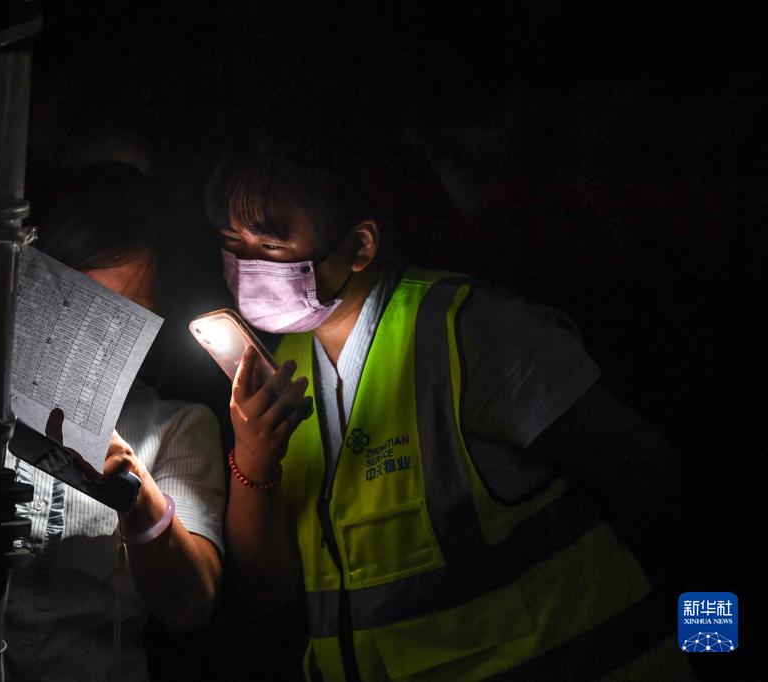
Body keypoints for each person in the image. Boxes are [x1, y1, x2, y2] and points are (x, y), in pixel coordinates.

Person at [206, 135, 692, 680]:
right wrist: (253, 460)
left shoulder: (469, 330)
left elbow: (646, 476)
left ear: (360, 245)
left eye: (271, 245)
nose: (246, 264)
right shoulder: (283, 367)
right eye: (231, 241)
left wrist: (711, 633)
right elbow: (269, 588)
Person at [4, 162, 225, 681]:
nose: (94, 335)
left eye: (122, 319)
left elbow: (191, 605)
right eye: (78, 304)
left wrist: (138, 496)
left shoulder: (176, 427)